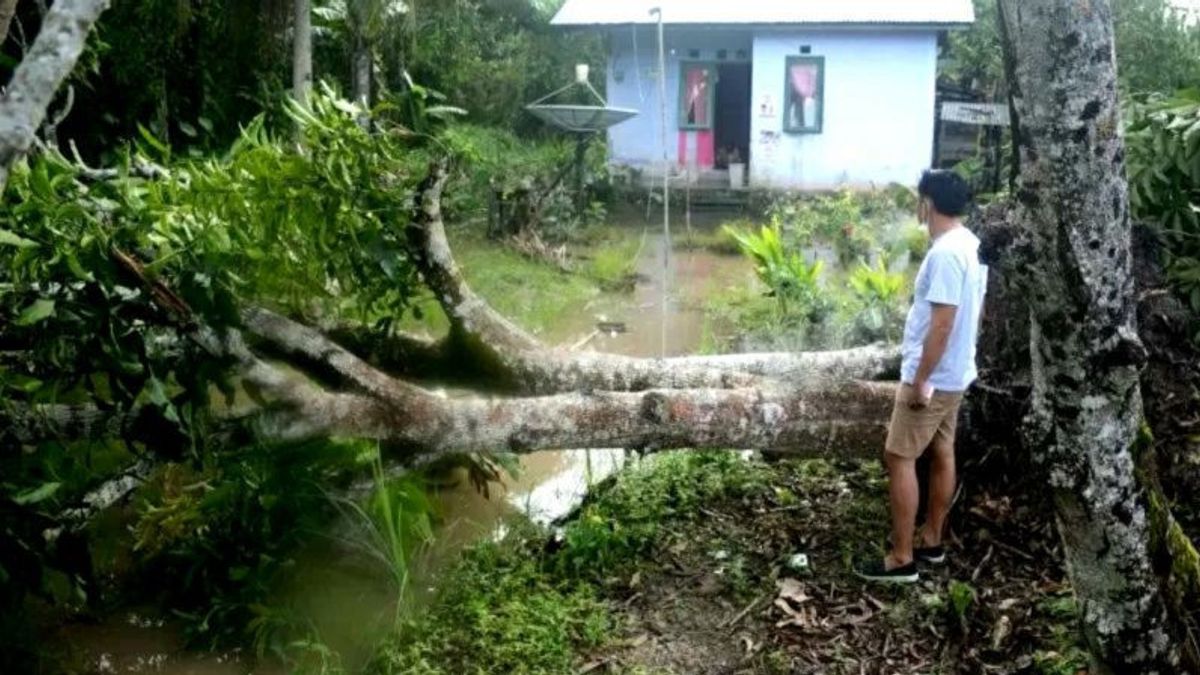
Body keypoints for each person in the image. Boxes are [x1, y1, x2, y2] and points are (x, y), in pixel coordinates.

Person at [856, 170, 988, 584]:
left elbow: (943, 323)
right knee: (942, 452)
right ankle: (931, 541)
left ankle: (901, 558)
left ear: (927, 204)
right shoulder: (972, 245)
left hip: (934, 377)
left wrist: (920, 380)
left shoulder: (946, 253)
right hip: (957, 374)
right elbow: (976, 314)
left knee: (899, 457)